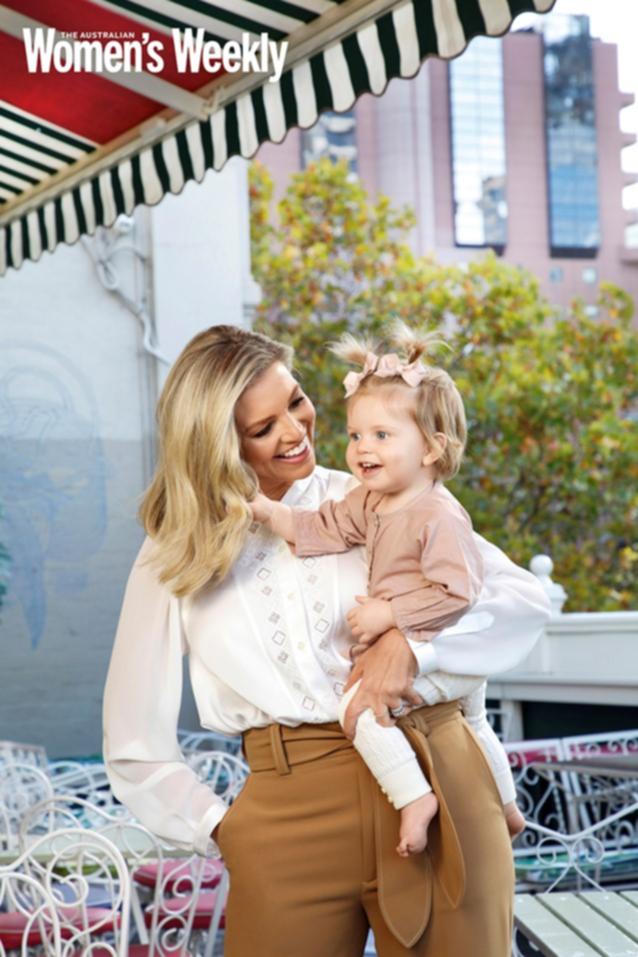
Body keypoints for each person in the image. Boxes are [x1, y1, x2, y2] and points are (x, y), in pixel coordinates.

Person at [103, 324, 551, 957]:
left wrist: (417, 649)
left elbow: (520, 601)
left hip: (438, 774)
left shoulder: (378, 495)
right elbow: (132, 738)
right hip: (288, 815)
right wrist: (221, 827)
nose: (295, 430)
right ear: (215, 442)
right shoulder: (175, 550)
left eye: (297, 400)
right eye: (262, 428)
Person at [249, 325, 525, 857]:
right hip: (441, 654)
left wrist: (388, 615)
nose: (361, 450)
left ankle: (413, 798)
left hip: (443, 650)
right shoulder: (372, 501)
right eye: (355, 436)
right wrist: (268, 513)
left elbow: (458, 593)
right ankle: (508, 807)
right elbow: (321, 527)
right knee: (475, 723)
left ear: (431, 449)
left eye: (381, 436)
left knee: (358, 708)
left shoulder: (438, 514)